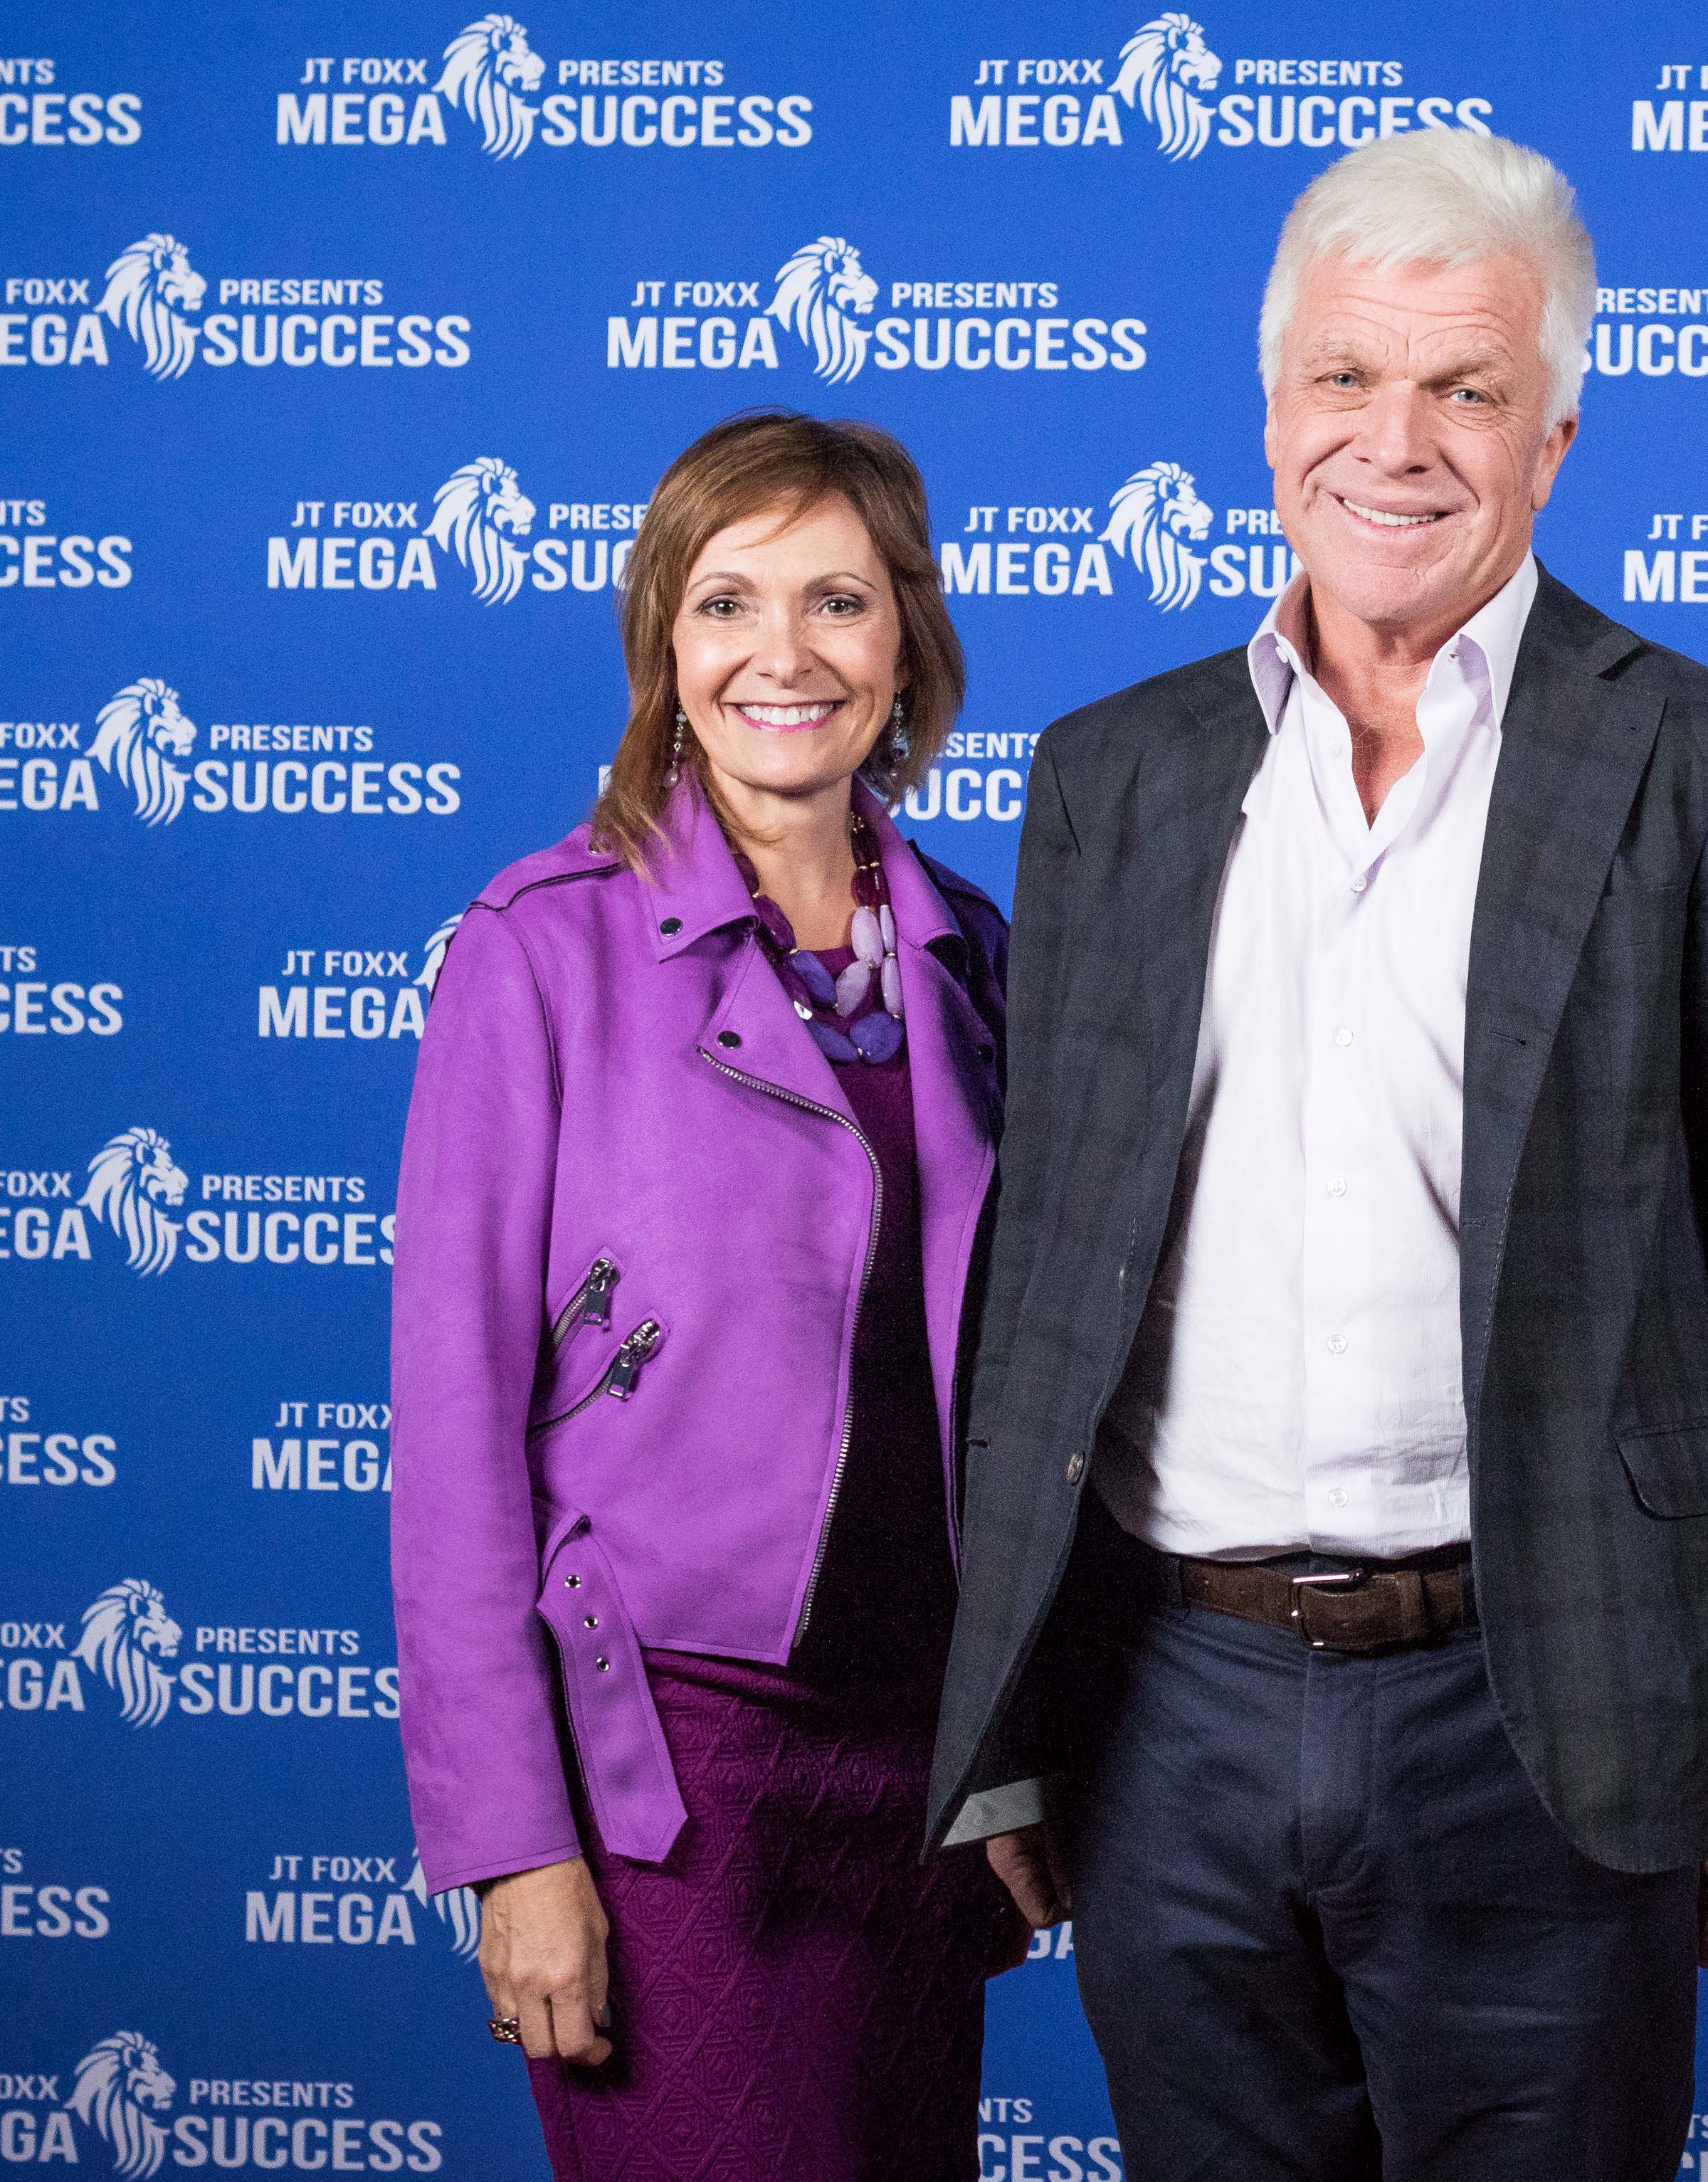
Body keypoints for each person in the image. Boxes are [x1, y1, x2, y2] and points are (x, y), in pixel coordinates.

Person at [932, 131, 1708, 2182]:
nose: (1396, 440)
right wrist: (1000, 1724)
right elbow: (1043, 1276)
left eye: (1465, 388)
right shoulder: (1113, 771)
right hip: (1163, 1705)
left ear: (1553, 438)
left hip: (1546, 1704)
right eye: (1345, 377)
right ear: (1270, 414)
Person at [391, 411, 1017, 2182]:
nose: (782, 653)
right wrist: (516, 1849)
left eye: (838, 599)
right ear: (665, 644)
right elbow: (451, 1438)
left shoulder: (977, 955)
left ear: (906, 641)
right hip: (663, 1770)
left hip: (924, 1768)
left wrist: (1021, 1752)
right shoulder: (539, 948)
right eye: (727, 602)